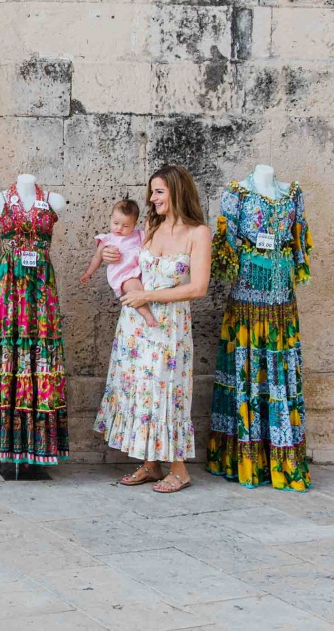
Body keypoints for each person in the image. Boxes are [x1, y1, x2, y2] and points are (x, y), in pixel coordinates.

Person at [94, 164, 212, 494]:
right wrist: (107, 254)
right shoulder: (151, 224)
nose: (152, 197)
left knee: (166, 391)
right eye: (152, 191)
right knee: (139, 390)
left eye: (159, 191)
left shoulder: (198, 233)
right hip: (135, 323)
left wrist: (148, 295)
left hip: (169, 325)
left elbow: (198, 287)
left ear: (177, 191)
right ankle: (150, 463)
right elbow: (128, 260)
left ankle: (179, 470)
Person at [80, 198, 155, 327]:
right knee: (135, 291)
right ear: (111, 219)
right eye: (115, 223)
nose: (119, 228)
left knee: (146, 288)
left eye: (125, 226)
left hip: (141, 271)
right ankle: (147, 315)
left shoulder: (139, 235)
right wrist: (88, 272)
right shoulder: (108, 239)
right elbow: (97, 257)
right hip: (124, 274)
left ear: (134, 224)